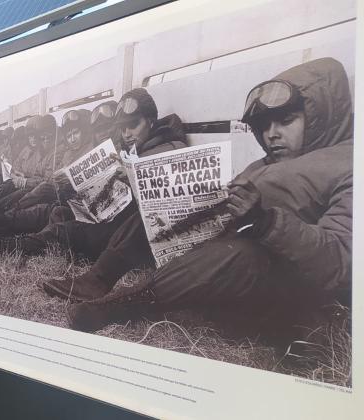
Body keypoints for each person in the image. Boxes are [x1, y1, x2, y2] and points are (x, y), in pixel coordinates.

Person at [67, 58, 353, 338]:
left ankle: (123, 305)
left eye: (286, 121)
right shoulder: (268, 163)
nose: (272, 134)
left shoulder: (350, 166)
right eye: (264, 126)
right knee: (165, 208)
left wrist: (266, 223)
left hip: (285, 293)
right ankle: (99, 278)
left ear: (321, 116)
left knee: (242, 256)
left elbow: (342, 261)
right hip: (226, 271)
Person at [43, 88, 187, 299]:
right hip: (117, 229)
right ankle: (9, 238)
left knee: (73, 230)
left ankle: (97, 280)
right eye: (122, 128)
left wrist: (130, 174)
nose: (126, 133)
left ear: (151, 121)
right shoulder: (135, 150)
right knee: (62, 217)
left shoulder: (170, 147)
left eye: (133, 124)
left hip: (142, 235)